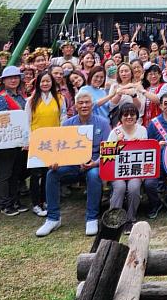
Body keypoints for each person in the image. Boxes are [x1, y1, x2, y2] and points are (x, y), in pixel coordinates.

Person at [35, 88, 111, 237]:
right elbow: (59, 150)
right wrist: (55, 162)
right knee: (52, 174)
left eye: (87, 102)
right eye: (80, 103)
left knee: (95, 175)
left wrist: (95, 163)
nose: (84, 106)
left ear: (92, 104)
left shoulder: (103, 123)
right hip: (71, 164)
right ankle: (53, 218)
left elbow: (108, 150)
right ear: (75, 106)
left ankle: (91, 218)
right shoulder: (67, 124)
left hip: (93, 164)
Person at [26, 71, 66, 217]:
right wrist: (29, 141)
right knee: (36, 174)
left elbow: (63, 118)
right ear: (38, 83)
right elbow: (27, 122)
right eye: (42, 81)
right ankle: (36, 203)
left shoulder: (60, 99)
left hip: (54, 141)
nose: (45, 84)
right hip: (37, 141)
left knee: (49, 172)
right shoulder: (31, 101)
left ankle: (47, 200)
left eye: (48, 81)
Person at [0, 65, 28, 216]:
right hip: (6, 142)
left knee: (15, 173)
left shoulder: (20, 96)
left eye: (16, 77)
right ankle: (5, 203)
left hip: (20, 141)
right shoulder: (1, 98)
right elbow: (0, 122)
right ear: (3, 80)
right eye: (10, 78)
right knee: (5, 173)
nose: (13, 80)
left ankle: (14, 200)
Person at [109, 102, 148, 233]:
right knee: (119, 188)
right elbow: (107, 155)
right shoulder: (115, 132)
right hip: (117, 171)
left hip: (135, 169)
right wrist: (117, 144)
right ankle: (115, 218)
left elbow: (146, 153)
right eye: (126, 114)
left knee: (134, 187)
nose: (129, 117)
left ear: (137, 116)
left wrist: (140, 145)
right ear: (120, 117)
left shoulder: (142, 130)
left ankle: (130, 219)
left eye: (132, 114)